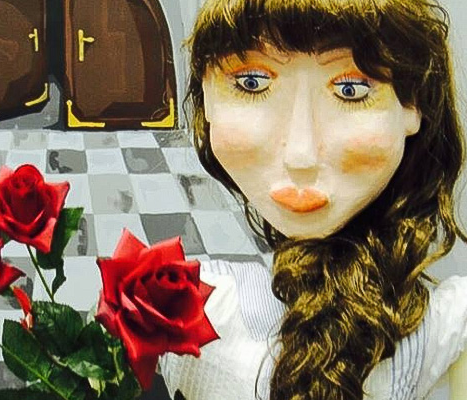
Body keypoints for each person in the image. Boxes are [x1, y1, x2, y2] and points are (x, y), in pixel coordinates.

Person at [158, 0, 467, 399]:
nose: (300, 155)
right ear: (206, 95)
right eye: (251, 83)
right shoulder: (180, 305)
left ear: (413, 106)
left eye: (351, 90)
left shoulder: (448, 329)